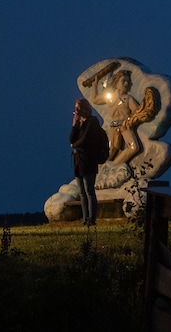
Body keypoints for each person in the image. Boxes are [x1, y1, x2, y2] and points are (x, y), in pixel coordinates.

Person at [90, 70, 140, 164]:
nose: (126, 83)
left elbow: (137, 112)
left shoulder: (128, 98)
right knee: (110, 151)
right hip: (113, 127)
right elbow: (95, 100)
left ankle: (114, 165)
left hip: (125, 126)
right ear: (116, 82)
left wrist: (130, 120)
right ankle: (106, 168)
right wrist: (94, 85)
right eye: (123, 80)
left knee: (134, 147)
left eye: (128, 82)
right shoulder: (110, 97)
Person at [70, 98, 104, 226]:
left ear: (84, 108)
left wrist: (74, 145)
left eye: (78, 108)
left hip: (89, 161)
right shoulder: (80, 124)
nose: (76, 111)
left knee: (89, 191)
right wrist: (74, 124)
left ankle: (92, 219)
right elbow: (71, 138)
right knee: (82, 192)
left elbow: (84, 140)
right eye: (75, 108)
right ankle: (85, 219)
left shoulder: (92, 122)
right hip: (78, 162)